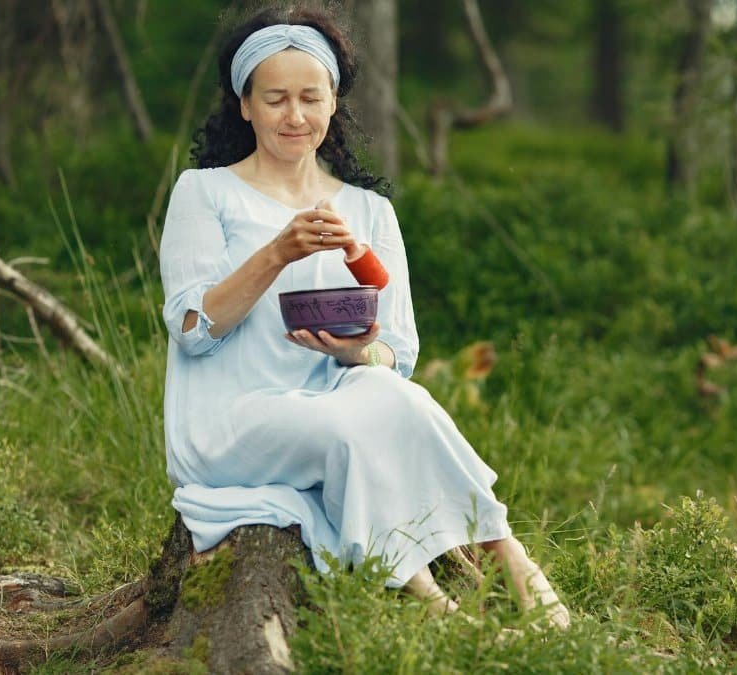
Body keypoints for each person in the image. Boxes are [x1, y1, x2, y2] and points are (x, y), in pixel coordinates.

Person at [159, 3, 570, 631]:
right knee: (351, 431)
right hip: (232, 418)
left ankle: (508, 554)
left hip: (336, 391)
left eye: (308, 97)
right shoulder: (204, 191)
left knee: (400, 398)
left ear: (332, 105)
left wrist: (353, 353)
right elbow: (191, 330)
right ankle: (432, 601)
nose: (293, 116)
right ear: (245, 105)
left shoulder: (368, 212)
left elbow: (396, 355)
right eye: (274, 99)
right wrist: (276, 253)